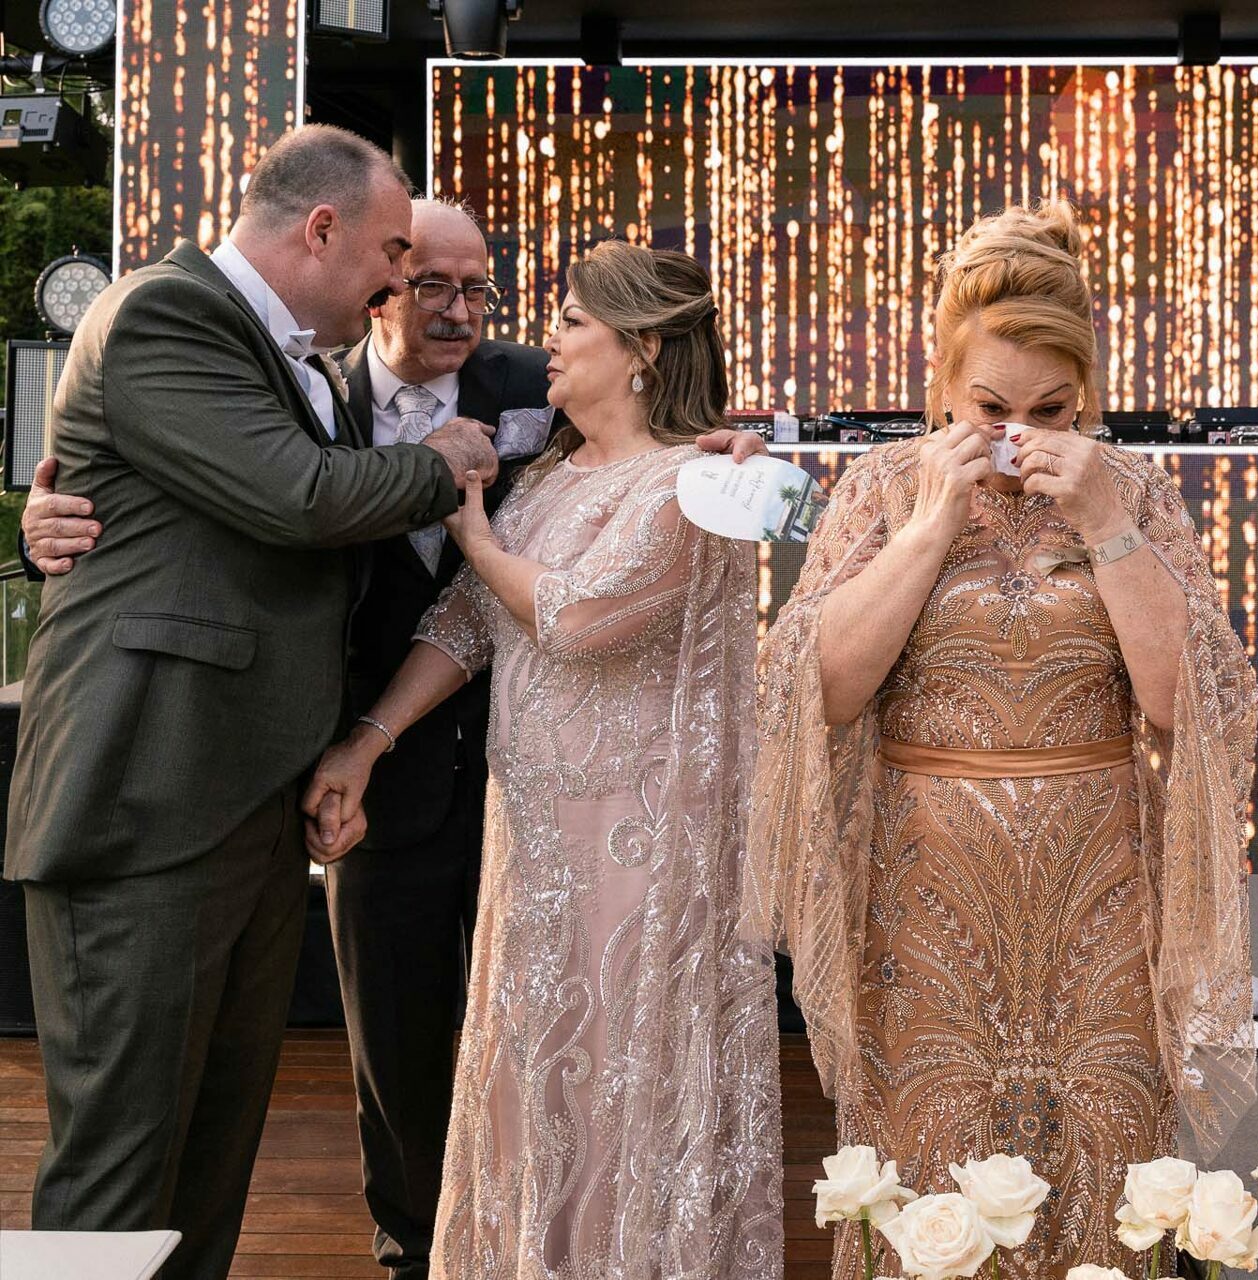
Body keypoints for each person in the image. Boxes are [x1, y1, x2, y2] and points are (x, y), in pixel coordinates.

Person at [20, 198, 770, 1280]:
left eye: (486, 290)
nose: (468, 311)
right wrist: (51, 524)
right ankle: (422, 1253)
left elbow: (594, 583)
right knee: (411, 1056)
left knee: (615, 1056)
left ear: (638, 347)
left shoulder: (571, 411)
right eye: (419, 279)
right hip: (393, 788)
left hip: (617, 828)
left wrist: (738, 456)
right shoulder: (311, 394)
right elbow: (342, 542)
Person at [1, 125, 499, 1280]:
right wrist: (445, 460)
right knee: (119, 1167)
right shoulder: (165, 313)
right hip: (146, 801)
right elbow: (298, 497)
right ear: (320, 228)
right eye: (392, 252)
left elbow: (205, 528)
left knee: (209, 1155)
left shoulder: (297, 361)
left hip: (247, 805)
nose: (397, 281)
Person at [748, 202, 1257, 1278]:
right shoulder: (882, 489)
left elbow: (1186, 703)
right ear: (942, 384)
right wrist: (932, 525)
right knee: (929, 1170)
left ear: (1088, 396)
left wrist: (1107, 524)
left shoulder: (1136, 491)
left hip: (1100, 903)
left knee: (1105, 1166)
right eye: (990, 407)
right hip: (923, 896)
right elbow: (820, 688)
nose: (1019, 434)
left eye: (1050, 409)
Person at [301, 239, 781, 1278]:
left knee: (619, 1066)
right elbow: (467, 623)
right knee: (536, 1070)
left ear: (642, 349)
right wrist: (370, 740)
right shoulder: (556, 473)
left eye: (571, 321)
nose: (545, 340)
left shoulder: (696, 483)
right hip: (535, 844)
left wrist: (474, 537)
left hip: (641, 847)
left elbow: (577, 616)